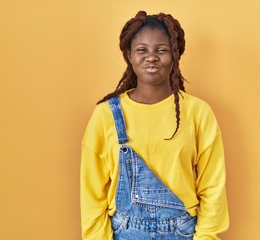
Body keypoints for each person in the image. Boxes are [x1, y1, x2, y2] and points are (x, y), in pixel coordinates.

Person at [80, 10, 229, 240]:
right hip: (124, 232)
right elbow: (91, 193)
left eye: (162, 50)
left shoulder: (198, 113)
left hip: (182, 233)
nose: (151, 57)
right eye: (142, 50)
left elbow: (212, 186)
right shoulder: (106, 115)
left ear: (175, 55)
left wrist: (207, 236)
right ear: (129, 55)